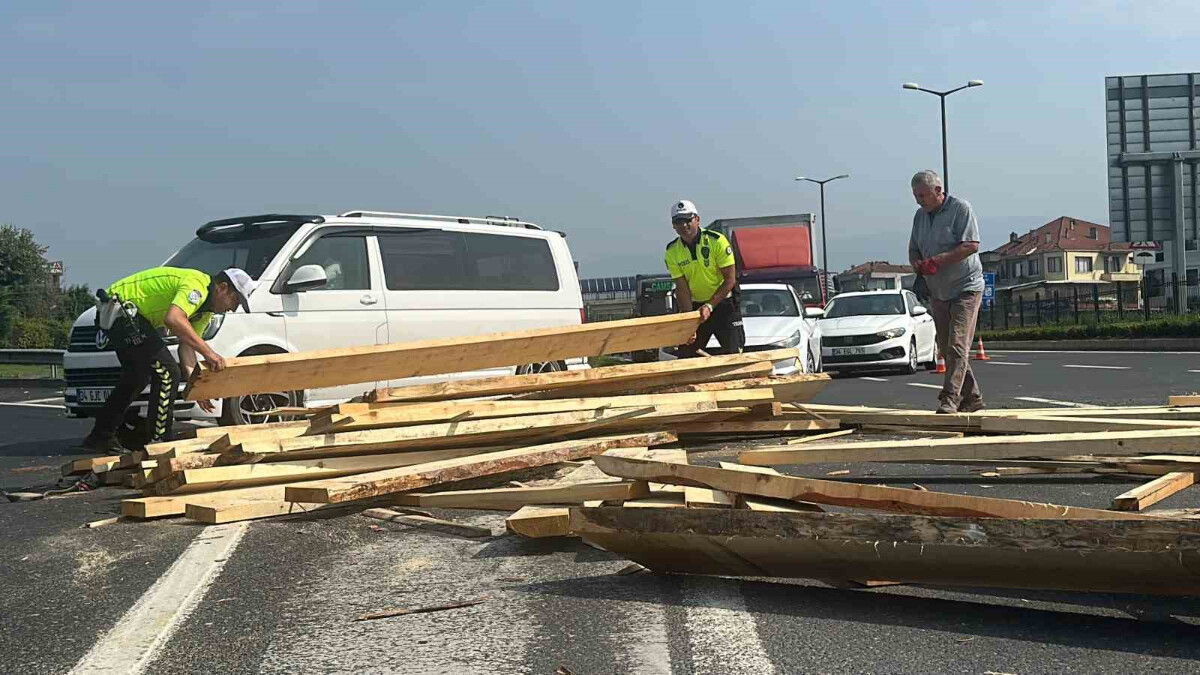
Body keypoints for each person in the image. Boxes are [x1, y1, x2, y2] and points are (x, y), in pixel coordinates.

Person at [80, 267, 256, 453]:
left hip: (119, 313)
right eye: (235, 300)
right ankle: (159, 441)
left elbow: (187, 347)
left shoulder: (205, 312)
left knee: (138, 376)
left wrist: (197, 386)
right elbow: (173, 319)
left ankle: (102, 435)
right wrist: (209, 353)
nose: (234, 308)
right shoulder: (197, 286)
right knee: (168, 374)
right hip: (120, 308)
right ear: (222, 288)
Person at [907, 170, 985, 414]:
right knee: (945, 346)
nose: (919, 201)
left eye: (922, 195)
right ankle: (972, 397)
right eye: (916, 196)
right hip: (938, 290)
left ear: (938, 191)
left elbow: (971, 245)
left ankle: (950, 398)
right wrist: (918, 264)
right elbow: (913, 248)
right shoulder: (920, 217)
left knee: (957, 344)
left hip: (965, 287)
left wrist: (939, 260)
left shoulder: (961, 209)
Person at [664, 199, 744, 356]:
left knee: (734, 353)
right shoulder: (672, 251)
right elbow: (682, 288)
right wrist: (689, 323)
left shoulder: (717, 241)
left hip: (724, 305)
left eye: (688, 220)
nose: (684, 225)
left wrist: (710, 305)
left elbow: (729, 280)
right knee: (686, 353)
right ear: (673, 225)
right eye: (678, 221)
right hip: (697, 308)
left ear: (697, 219)